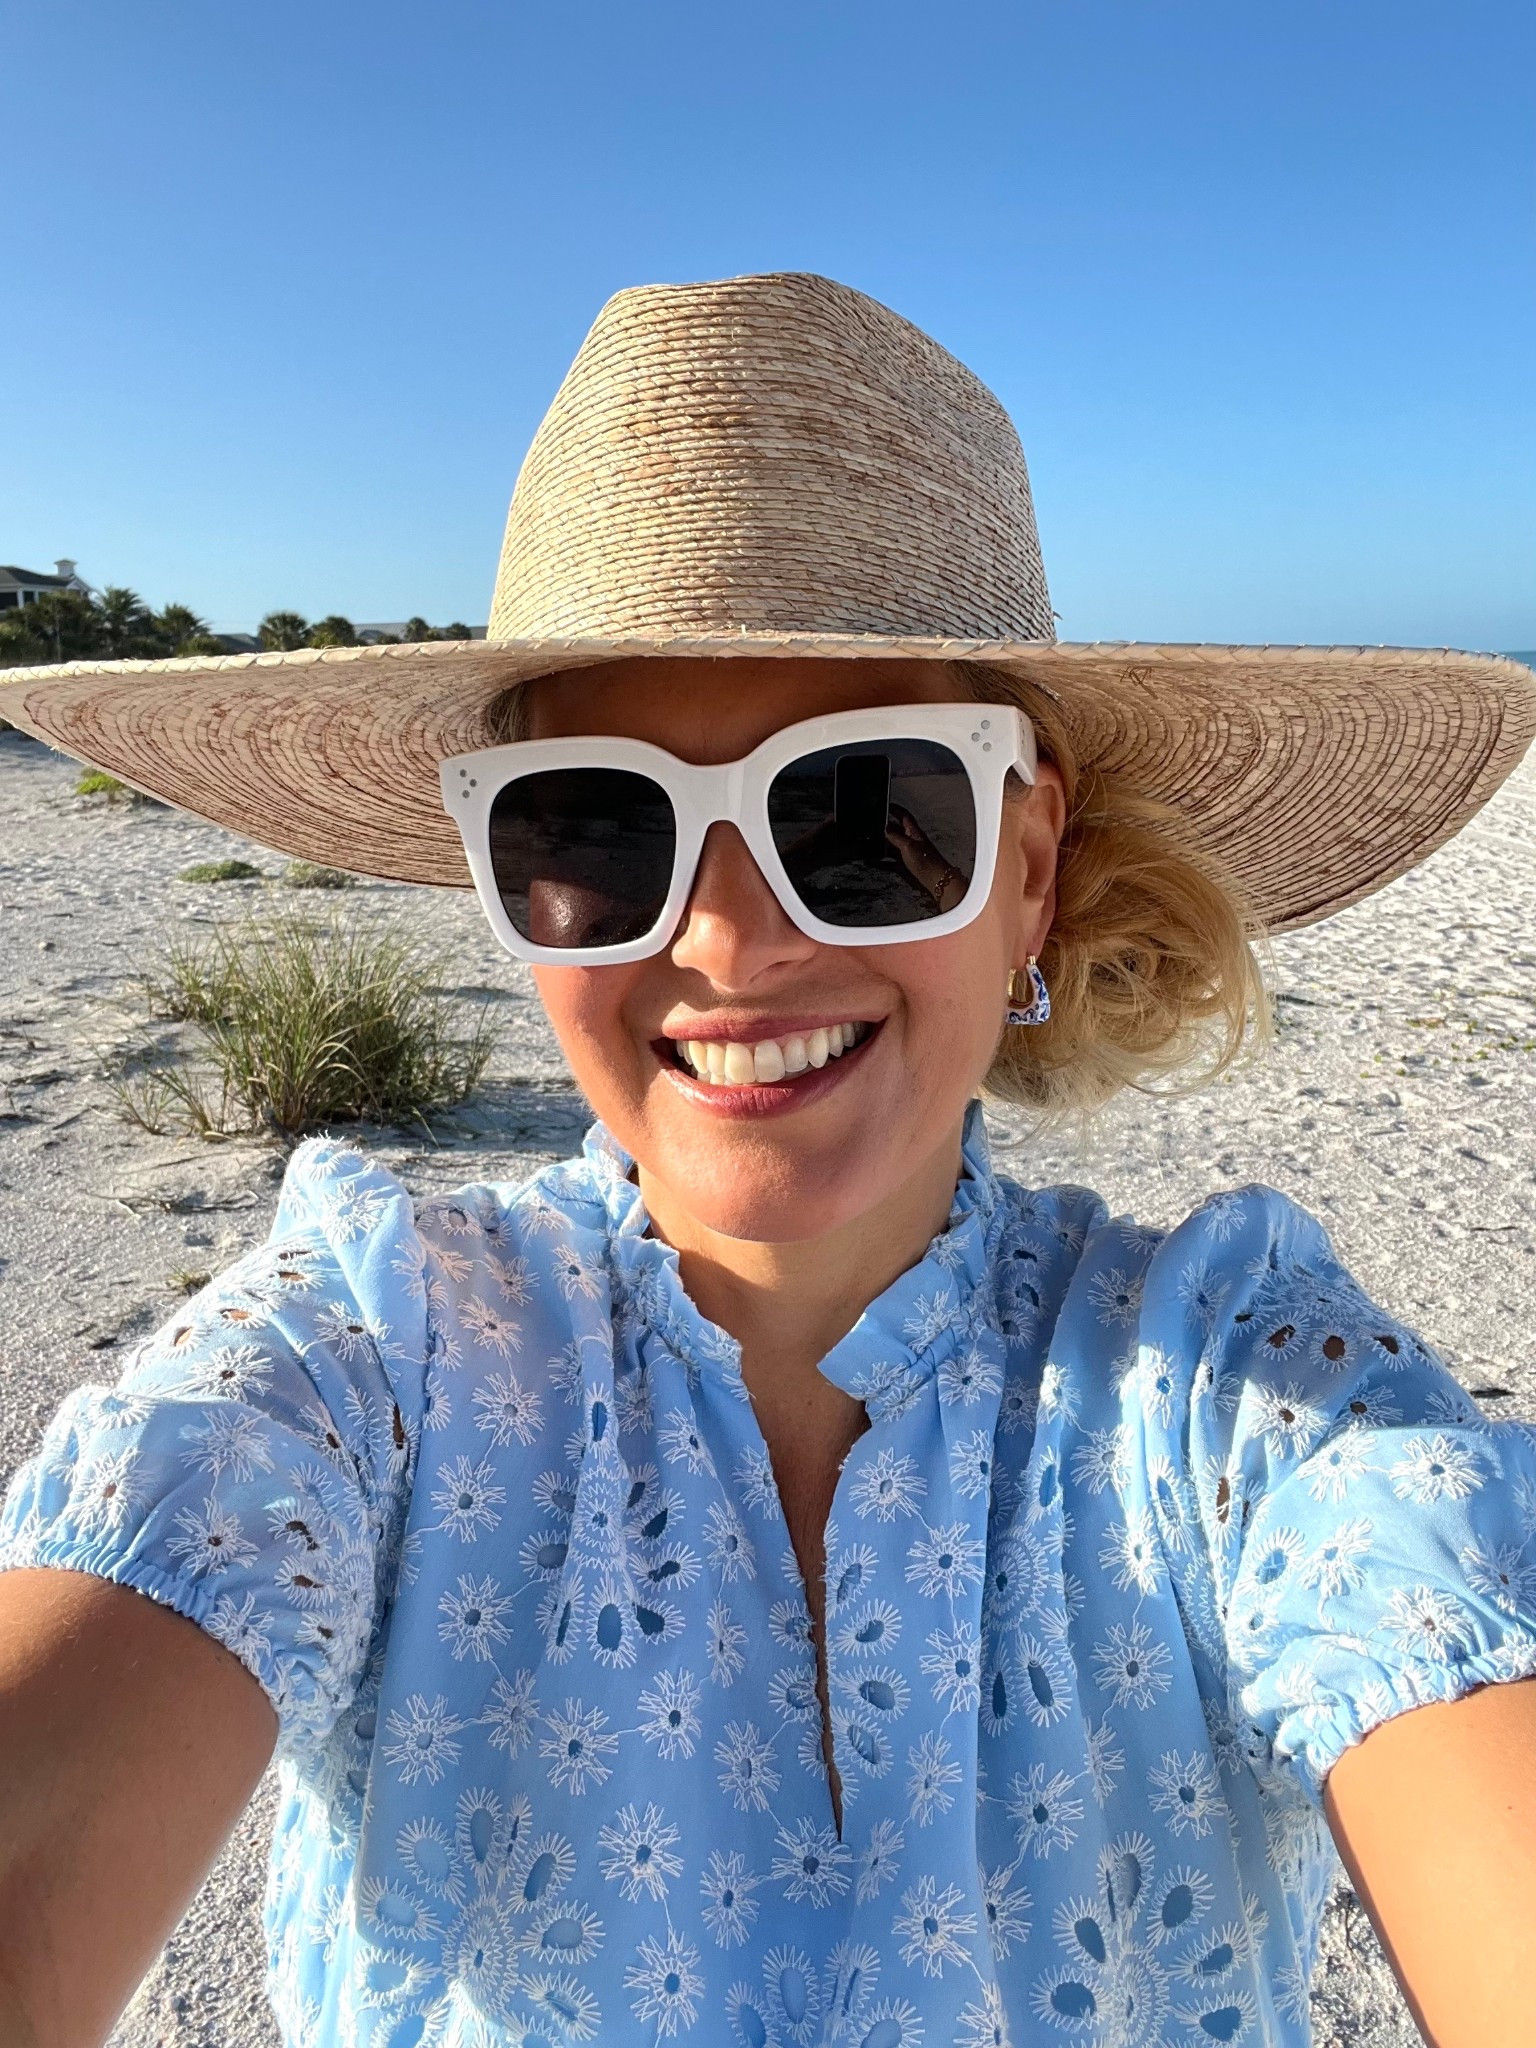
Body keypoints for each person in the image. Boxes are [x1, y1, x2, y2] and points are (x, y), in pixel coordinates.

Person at [2, 272, 1535, 2048]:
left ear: (1029, 866)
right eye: (598, 828)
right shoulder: (367, 1362)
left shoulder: (1241, 1393)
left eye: (862, 814)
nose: (727, 943)